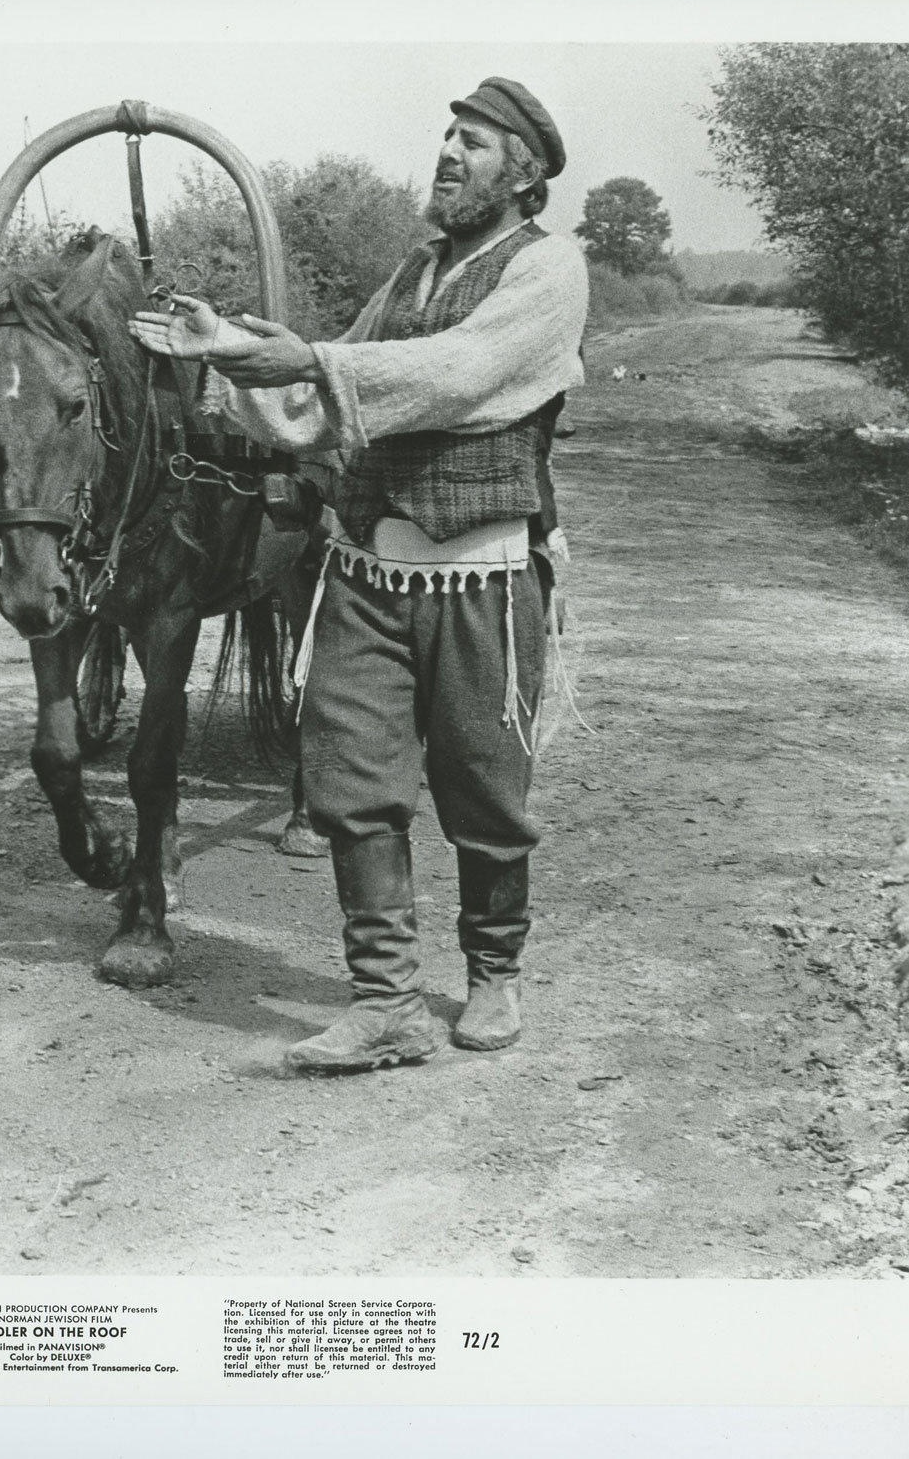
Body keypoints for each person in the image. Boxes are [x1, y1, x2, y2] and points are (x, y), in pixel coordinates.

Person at [130, 77, 588, 1072]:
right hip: (367, 575)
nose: (448, 153)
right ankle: (387, 1004)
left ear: (523, 172)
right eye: (446, 135)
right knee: (349, 782)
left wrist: (299, 357)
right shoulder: (414, 271)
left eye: (472, 141)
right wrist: (228, 353)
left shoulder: (549, 272)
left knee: (484, 794)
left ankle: (494, 974)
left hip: (484, 581)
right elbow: (324, 396)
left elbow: (456, 375)